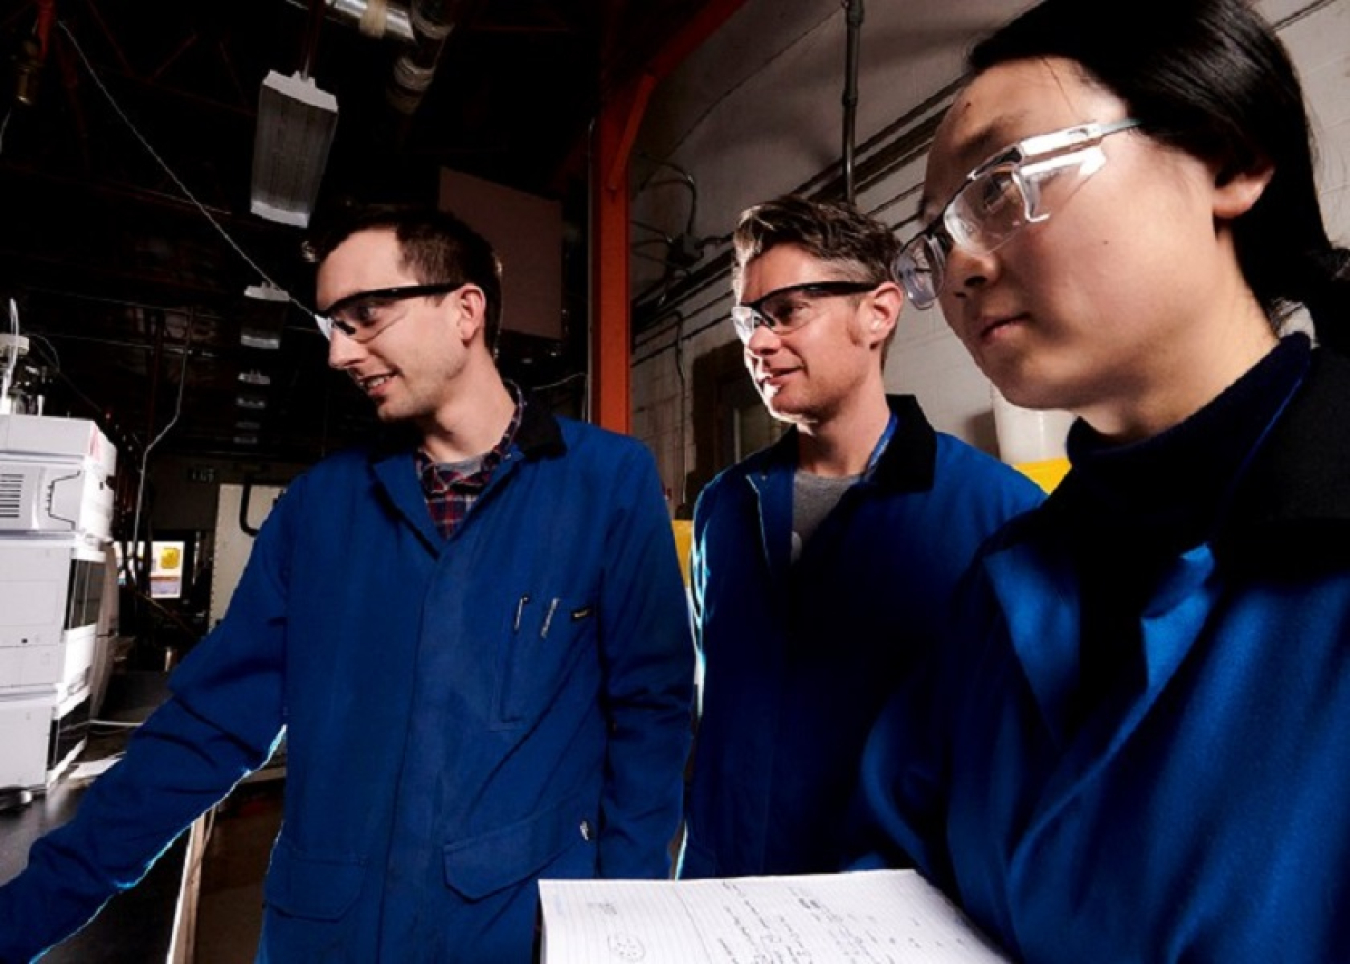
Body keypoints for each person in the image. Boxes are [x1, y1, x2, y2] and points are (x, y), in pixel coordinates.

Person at [0, 206, 696, 963]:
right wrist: (23, 918)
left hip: (518, 931)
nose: (338, 352)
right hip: (325, 932)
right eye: (332, 323)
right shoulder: (320, 509)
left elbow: (651, 719)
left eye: (364, 318)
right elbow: (206, 730)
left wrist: (625, 923)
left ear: (465, 310)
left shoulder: (607, 484)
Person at [853, 0, 1350, 960]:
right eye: (934, 240)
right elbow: (891, 859)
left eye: (1000, 184)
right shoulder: (1004, 585)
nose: (958, 266)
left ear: (1228, 157)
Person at [679, 195, 1043, 879]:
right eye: (748, 320)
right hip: (720, 898)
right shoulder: (724, 508)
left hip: (890, 918)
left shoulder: (1003, 518)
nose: (757, 342)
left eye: (787, 312)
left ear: (876, 312)